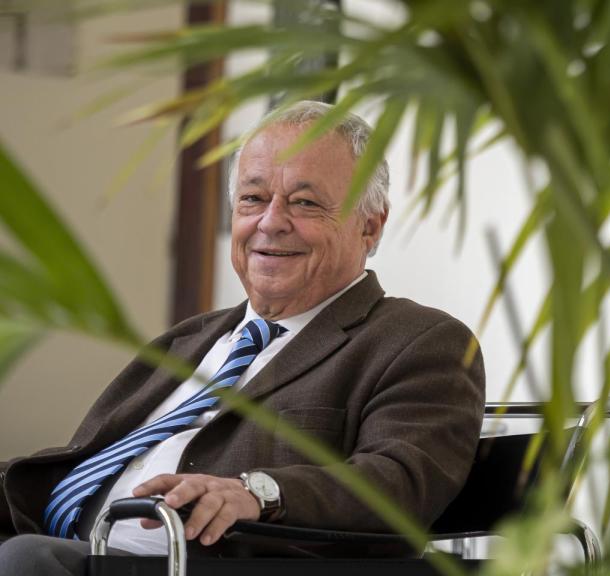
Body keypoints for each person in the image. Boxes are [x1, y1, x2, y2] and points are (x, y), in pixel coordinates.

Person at [0, 100, 486, 575]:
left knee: (24, 561)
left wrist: (259, 493)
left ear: (370, 226)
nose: (271, 222)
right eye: (253, 199)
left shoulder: (420, 341)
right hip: (60, 540)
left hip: (202, 561)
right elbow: (85, 460)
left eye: (305, 202)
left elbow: (400, 482)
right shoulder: (189, 339)